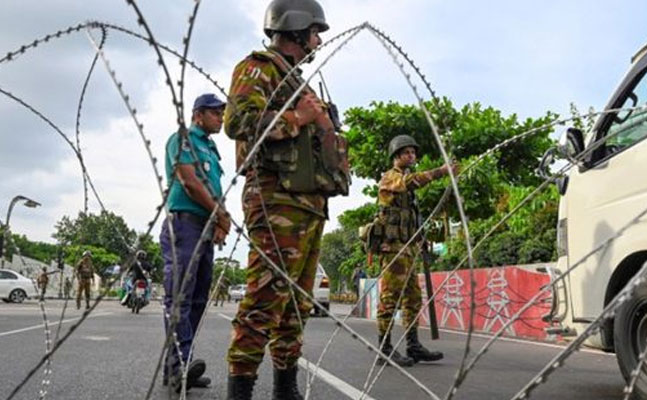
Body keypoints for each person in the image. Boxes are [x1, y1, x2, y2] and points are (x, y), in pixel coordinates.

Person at [223, 1, 350, 398]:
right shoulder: (258, 68)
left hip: (308, 206)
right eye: (314, 32)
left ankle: (285, 387)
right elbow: (239, 122)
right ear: (294, 29)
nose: (318, 41)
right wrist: (298, 118)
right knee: (264, 301)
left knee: (296, 306)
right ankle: (240, 390)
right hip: (276, 202)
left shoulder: (299, 83)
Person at [160, 93, 230, 392]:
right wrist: (220, 213)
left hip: (204, 227)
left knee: (199, 300)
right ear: (198, 114)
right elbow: (189, 180)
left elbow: (213, 185)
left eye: (223, 113)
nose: (221, 118)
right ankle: (180, 365)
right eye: (216, 113)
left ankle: (176, 368)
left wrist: (219, 221)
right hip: (185, 225)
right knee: (180, 298)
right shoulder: (184, 138)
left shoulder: (212, 150)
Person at [372, 134, 458, 367]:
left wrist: (420, 239)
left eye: (413, 152)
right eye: (407, 153)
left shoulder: (408, 190)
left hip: (408, 247)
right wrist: (441, 172)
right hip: (393, 249)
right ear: (396, 156)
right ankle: (384, 348)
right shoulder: (391, 179)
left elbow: (410, 217)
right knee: (390, 299)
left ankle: (413, 345)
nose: (411, 156)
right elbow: (413, 181)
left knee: (412, 298)